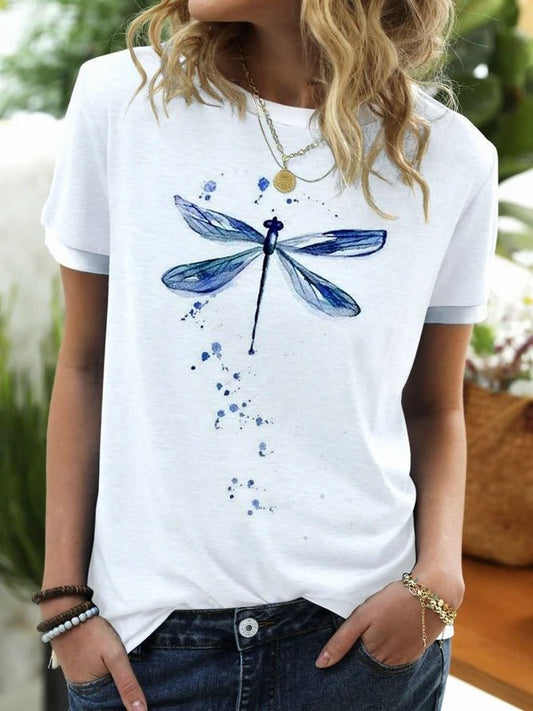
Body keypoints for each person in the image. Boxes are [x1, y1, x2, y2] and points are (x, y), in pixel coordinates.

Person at [35, 0, 499, 709]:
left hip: (358, 635)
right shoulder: (122, 101)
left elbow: (433, 406)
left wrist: (438, 578)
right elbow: (85, 364)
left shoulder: (448, 158)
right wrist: (63, 597)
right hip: (151, 645)